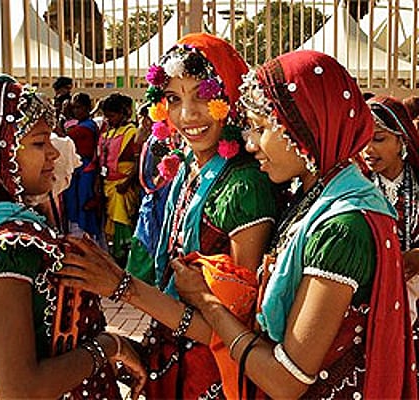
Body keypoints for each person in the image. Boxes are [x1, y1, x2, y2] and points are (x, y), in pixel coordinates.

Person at [171, 50, 418, 399]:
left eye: (261, 128)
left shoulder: (341, 228)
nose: (250, 143)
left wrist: (207, 301)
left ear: (306, 125)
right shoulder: (310, 198)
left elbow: (287, 380)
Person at [58, 33, 276, 399]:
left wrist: (122, 287)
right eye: (174, 98)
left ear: (231, 99)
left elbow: (229, 329)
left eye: (204, 96)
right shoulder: (188, 166)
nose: (188, 115)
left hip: (215, 374)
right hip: (173, 351)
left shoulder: (245, 186)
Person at [0, 67, 145, 399]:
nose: (53, 152)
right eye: (39, 142)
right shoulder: (6, 245)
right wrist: (110, 345)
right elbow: (19, 390)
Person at [361, 95, 419, 382]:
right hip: (373, 305)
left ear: (402, 140)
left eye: (379, 139)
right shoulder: (357, 188)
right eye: (363, 140)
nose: (368, 150)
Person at [125, 102, 176, 284]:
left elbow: (160, 169)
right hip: (152, 193)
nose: (141, 121)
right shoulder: (153, 138)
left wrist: (154, 186)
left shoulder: (159, 140)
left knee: (151, 234)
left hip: (158, 195)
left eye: (143, 117)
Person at [97, 93, 140, 266]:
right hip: (108, 184)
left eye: (112, 115)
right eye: (106, 115)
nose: (108, 119)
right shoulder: (108, 131)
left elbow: (138, 162)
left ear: (123, 113)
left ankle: (124, 256)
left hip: (123, 187)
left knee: (122, 221)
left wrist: (127, 183)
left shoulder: (132, 132)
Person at [63, 92, 104, 245]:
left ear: (87, 108)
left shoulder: (88, 126)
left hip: (87, 169)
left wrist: (63, 113)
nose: (75, 111)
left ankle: (88, 239)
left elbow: (66, 136)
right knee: (73, 202)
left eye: (78, 108)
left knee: (85, 203)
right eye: (73, 108)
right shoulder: (78, 125)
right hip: (76, 169)